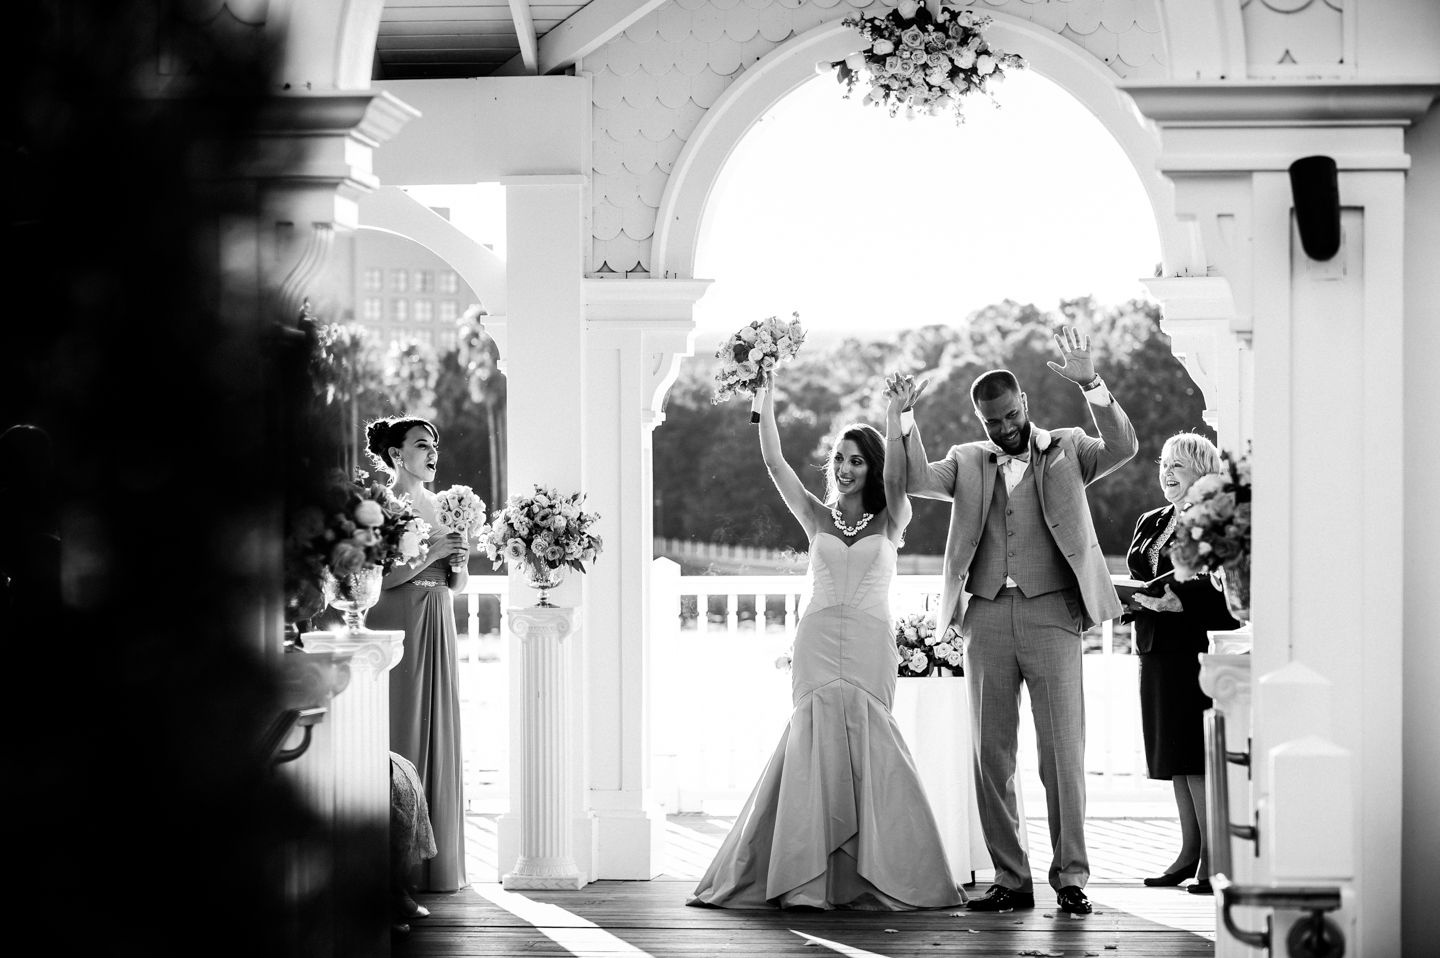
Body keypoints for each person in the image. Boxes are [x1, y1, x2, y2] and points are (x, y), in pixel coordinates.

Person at [689, 373, 963, 911]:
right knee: (810, 745)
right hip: (816, 639)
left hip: (869, 642)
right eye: (839, 458)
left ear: (873, 466)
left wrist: (895, 413)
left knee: (873, 745)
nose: (844, 468)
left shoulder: (893, 514)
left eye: (856, 459)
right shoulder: (815, 513)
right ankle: (804, 879)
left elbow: (901, 478)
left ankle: (879, 875)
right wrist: (762, 398)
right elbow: (774, 463)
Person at [895, 325, 1137, 916]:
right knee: (992, 755)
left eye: (1007, 416)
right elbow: (915, 480)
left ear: (1024, 402)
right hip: (985, 618)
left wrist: (1093, 385)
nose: (1001, 429)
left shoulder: (1069, 449)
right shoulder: (968, 461)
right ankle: (1010, 878)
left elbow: (1125, 448)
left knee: (1061, 753)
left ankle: (1071, 876)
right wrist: (902, 420)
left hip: (1053, 611)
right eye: (990, 422)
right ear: (979, 421)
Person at [1126, 433, 1238, 896]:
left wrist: (1181, 603)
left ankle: (1211, 859)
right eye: (1163, 463)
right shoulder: (1153, 520)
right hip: (1155, 647)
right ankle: (1188, 852)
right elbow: (1142, 575)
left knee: (1194, 756)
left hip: (1193, 645)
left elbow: (1228, 590)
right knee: (1174, 759)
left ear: (1202, 470)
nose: (1167, 471)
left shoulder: (1218, 521)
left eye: (1178, 465)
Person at [365, 416, 470, 897]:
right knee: (402, 729)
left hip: (439, 615)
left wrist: (459, 562)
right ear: (395, 455)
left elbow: (456, 583)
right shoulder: (378, 505)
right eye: (421, 445)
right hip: (398, 615)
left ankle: (435, 868)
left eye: (435, 446)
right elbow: (376, 582)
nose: (432, 454)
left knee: (438, 730)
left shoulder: (443, 505)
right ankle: (394, 875)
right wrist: (431, 556)